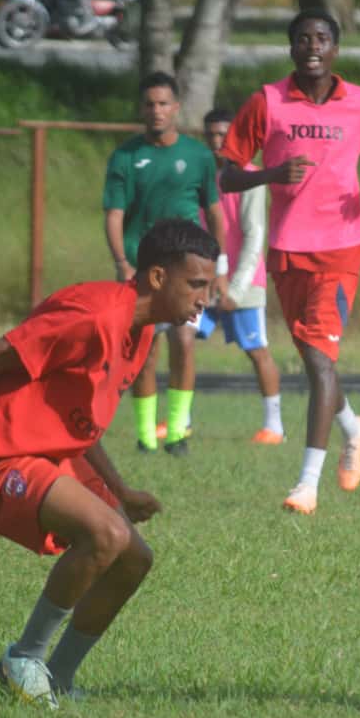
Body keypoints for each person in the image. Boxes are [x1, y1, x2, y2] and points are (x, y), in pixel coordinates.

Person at [0, 218, 217, 708]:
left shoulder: (139, 332)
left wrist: (120, 491)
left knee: (134, 558)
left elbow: (75, 420)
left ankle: (58, 675)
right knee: (107, 535)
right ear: (158, 277)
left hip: (48, 454)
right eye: (197, 284)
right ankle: (23, 658)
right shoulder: (92, 314)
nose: (206, 297)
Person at [219, 7, 360, 514]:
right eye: (302, 38)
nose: (312, 46)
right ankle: (352, 426)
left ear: (335, 49)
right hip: (287, 250)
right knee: (316, 361)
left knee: (319, 360)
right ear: (291, 47)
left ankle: (307, 484)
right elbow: (227, 175)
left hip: (342, 247)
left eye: (321, 38)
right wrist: (269, 174)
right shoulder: (267, 102)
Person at [104, 71, 227, 456]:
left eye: (163, 104)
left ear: (176, 108)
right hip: (143, 270)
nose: (156, 111)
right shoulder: (126, 156)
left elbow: (216, 214)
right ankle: (145, 436)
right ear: (142, 109)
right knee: (145, 350)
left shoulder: (197, 156)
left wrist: (216, 271)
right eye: (150, 104)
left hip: (187, 271)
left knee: (185, 343)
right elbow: (114, 214)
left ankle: (176, 433)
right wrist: (123, 261)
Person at [190, 106, 285, 443]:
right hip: (205, 280)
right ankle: (180, 421)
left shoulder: (249, 178)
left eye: (223, 135)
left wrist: (236, 287)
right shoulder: (201, 176)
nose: (217, 142)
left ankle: (274, 426)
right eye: (211, 135)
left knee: (256, 349)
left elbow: (254, 236)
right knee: (182, 337)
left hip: (242, 283)